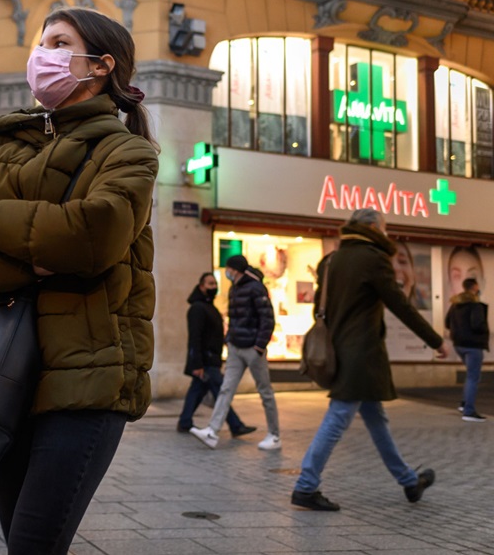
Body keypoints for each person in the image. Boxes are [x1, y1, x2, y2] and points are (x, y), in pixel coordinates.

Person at [0, 8, 158, 554]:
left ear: (101, 66)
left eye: (59, 42)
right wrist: (38, 256)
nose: (41, 55)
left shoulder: (128, 151)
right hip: (2, 372)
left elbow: (94, 237)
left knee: (32, 545)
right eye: (40, 43)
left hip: (89, 378)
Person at [292, 208, 447, 511]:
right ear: (375, 227)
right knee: (338, 418)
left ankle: (409, 482)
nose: (386, 233)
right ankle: (305, 486)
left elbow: (318, 309)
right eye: (385, 228)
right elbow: (400, 306)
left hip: (340, 350)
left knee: (376, 419)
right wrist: (436, 340)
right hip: (360, 355)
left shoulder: (331, 260)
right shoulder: (374, 259)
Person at [189, 254, 281, 451]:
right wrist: (229, 340)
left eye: (228, 269)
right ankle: (212, 432)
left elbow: (267, 318)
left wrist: (259, 346)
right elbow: (233, 318)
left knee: (265, 391)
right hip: (235, 349)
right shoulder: (235, 288)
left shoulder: (256, 288)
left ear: (235, 269)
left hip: (253, 349)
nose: (226, 272)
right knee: (226, 389)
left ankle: (274, 435)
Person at [178, 272, 255, 437]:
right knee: (222, 391)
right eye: (210, 284)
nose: (213, 287)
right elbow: (195, 337)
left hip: (211, 359)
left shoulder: (209, 307)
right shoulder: (198, 308)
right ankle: (235, 425)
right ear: (201, 287)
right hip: (206, 360)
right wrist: (197, 363)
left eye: (215, 284)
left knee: (197, 390)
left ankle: (185, 422)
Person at [445, 277, 488, 422]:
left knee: (471, 375)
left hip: (459, 344)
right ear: (475, 287)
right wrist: (484, 331)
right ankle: (469, 411)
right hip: (473, 345)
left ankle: (464, 404)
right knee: (473, 377)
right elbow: (478, 325)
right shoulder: (475, 305)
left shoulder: (455, 304)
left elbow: (447, 322)